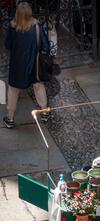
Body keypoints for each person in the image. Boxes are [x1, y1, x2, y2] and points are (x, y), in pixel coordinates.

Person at [3, 1, 50, 129]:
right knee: (39, 87)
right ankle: (45, 112)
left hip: (17, 65)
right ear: (30, 13)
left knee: (13, 90)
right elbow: (45, 45)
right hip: (33, 64)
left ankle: (10, 118)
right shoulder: (36, 26)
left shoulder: (13, 27)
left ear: (17, 14)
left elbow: (7, 45)